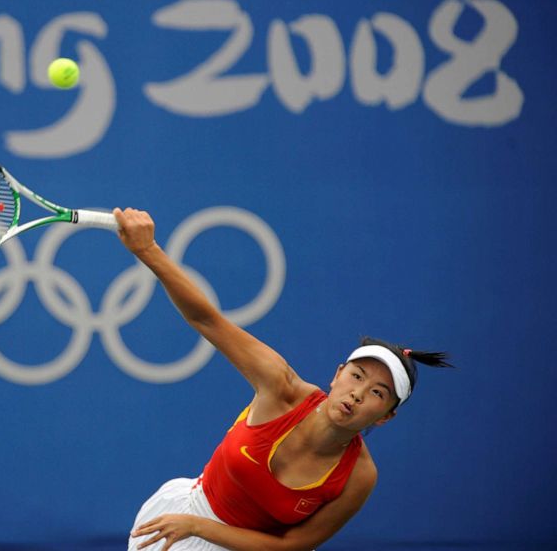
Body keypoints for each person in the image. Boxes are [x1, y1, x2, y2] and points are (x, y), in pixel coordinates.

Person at [113, 208, 452, 551]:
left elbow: (292, 546)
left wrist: (200, 528)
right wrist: (148, 250)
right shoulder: (282, 387)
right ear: (337, 375)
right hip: (177, 523)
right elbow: (207, 320)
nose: (358, 393)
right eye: (356, 375)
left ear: (386, 416)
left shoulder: (359, 476)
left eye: (377, 392)